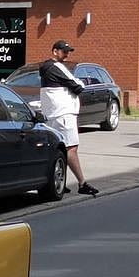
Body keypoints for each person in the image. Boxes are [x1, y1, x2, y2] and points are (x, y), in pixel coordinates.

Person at [39, 40, 98, 196]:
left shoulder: (46, 68)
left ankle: (58, 182)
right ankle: (82, 183)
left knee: (59, 149)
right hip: (64, 114)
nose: (67, 55)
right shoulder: (56, 67)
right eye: (64, 52)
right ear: (55, 51)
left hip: (52, 115)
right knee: (71, 148)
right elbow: (78, 86)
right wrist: (78, 83)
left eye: (68, 52)